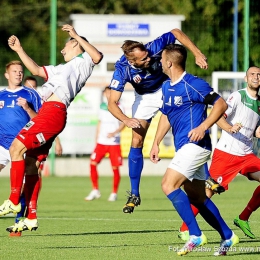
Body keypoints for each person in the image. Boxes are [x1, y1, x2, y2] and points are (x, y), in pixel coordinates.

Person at [0, 24, 103, 234]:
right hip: (50, 113)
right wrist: (19, 50)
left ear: (76, 45)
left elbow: (98, 56)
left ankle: (13, 200)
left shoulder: (82, 63)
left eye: (66, 46)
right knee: (31, 165)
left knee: (15, 149)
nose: (62, 51)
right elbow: (37, 70)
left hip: (52, 112)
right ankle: (31, 217)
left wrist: (75, 34)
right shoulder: (61, 69)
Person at [108, 28, 221, 214]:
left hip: (166, 87)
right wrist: (127, 120)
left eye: (147, 55)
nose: (149, 59)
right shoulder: (122, 69)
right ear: (131, 61)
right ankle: (134, 194)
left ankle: (207, 176)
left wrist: (197, 53)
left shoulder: (153, 48)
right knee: (136, 140)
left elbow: (176, 32)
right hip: (144, 97)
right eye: (143, 59)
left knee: (186, 127)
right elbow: (112, 103)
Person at [150, 43, 238, 256]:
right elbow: (165, 116)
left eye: (162, 59)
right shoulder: (166, 86)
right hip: (184, 148)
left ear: (169, 62)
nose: (159, 62)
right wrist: (155, 142)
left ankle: (195, 234)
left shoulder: (193, 84)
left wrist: (203, 126)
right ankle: (228, 235)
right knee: (198, 198)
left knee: (168, 184)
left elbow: (221, 105)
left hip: (196, 146)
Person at [0, 61, 42, 236]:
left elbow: (41, 120)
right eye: (14, 71)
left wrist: (27, 107)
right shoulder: (1, 95)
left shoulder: (31, 94)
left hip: (23, 146)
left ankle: (18, 223)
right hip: (2, 145)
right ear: (7, 75)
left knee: (25, 185)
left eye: (20, 71)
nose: (18, 74)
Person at [85, 87, 125, 202]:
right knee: (92, 163)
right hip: (101, 142)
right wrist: (96, 137)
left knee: (115, 168)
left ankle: (114, 193)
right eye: (106, 92)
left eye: (109, 92)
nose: (107, 94)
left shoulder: (119, 106)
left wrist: (114, 133)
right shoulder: (102, 107)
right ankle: (95, 190)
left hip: (114, 142)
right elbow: (100, 122)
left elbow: (123, 123)